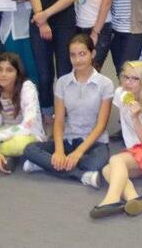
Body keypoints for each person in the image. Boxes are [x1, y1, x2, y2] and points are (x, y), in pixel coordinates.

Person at [22, 34, 114, 187]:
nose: (77, 60)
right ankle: (82, 175)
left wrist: (78, 153)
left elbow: (101, 126)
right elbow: (58, 121)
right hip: (69, 140)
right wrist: (59, 150)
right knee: (30, 149)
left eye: (82, 54)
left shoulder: (106, 84)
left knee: (96, 163)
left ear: (92, 54)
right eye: (73, 55)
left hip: (94, 142)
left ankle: (45, 165)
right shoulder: (62, 82)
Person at [89, 61, 142, 219]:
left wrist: (135, 118)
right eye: (126, 77)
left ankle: (111, 200)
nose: (128, 82)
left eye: (135, 79)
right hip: (136, 151)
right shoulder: (120, 93)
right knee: (107, 170)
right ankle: (134, 198)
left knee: (116, 160)